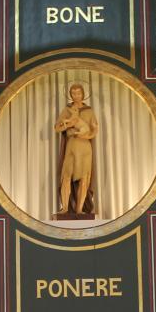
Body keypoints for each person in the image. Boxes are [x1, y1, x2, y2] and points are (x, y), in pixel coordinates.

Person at [54, 81, 98, 216]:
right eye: (73, 93)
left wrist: (86, 135)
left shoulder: (89, 111)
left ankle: (79, 209)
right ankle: (65, 208)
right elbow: (57, 128)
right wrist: (68, 125)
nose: (76, 95)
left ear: (83, 94)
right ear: (70, 95)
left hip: (84, 147)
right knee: (66, 176)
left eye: (78, 93)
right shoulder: (67, 110)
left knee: (84, 178)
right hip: (72, 145)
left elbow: (95, 129)